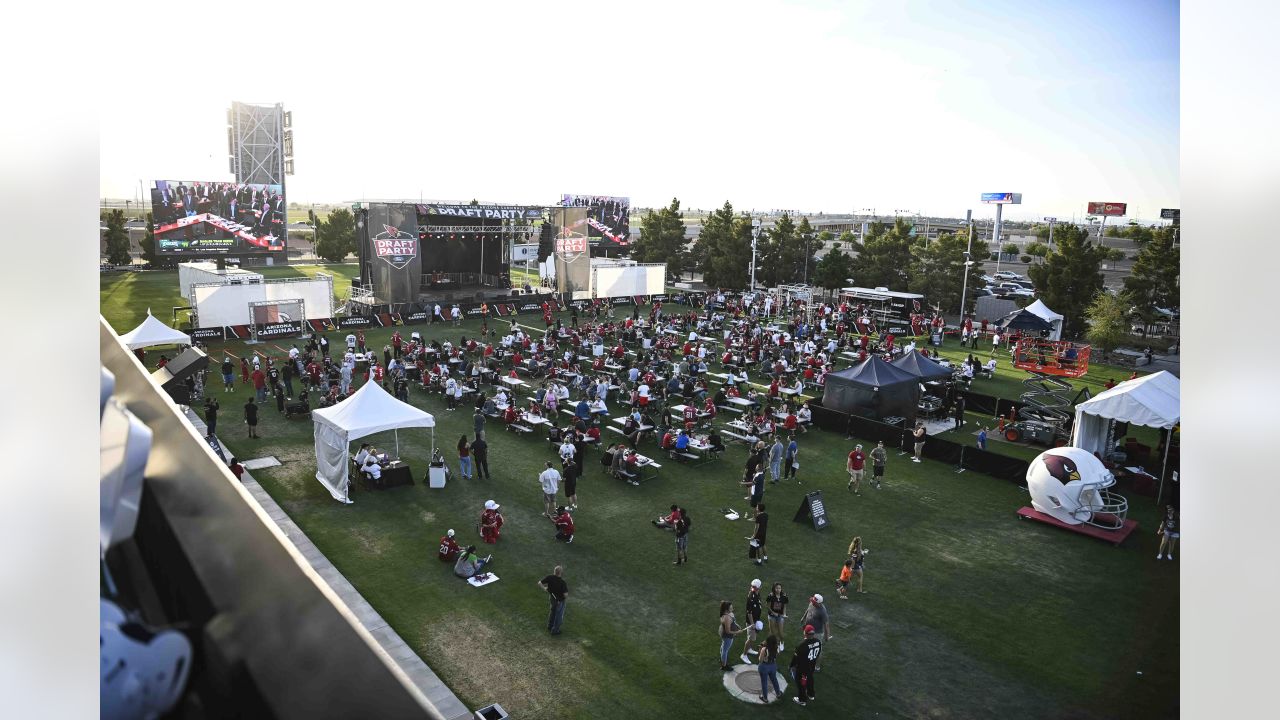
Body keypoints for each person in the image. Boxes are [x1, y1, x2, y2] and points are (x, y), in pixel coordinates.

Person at [789, 624, 821, 706]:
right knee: (810, 679)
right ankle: (811, 694)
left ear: (805, 633)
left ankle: (802, 700)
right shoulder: (818, 641)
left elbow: (795, 658)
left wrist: (791, 666)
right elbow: (818, 654)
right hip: (812, 666)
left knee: (801, 683)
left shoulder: (802, 645)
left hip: (803, 668)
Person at [799, 594, 832, 669]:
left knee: (817, 649)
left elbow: (826, 624)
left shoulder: (822, 611)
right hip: (807, 629)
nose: (812, 602)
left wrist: (827, 636)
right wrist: (803, 617)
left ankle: (817, 666)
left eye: (814, 602)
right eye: (812, 601)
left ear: (819, 603)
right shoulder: (811, 603)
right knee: (807, 645)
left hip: (817, 633)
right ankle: (808, 659)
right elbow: (808, 610)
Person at [718, 600, 748, 672]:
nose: (732, 608)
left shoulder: (729, 613)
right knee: (725, 650)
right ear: (726, 609)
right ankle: (724, 666)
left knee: (723, 646)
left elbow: (733, 621)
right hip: (727, 636)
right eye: (731, 607)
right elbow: (728, 631)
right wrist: (737, 632)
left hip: (723, 633)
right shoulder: (727, 618)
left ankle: (722, 659)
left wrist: (737, 625)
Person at [539, 566, 569, 635]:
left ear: (554, 571)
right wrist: (566, 594)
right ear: (561, 573)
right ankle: (555, 630)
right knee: (559, 616)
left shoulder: (550, 577)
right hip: (559, 601)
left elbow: (539, 583)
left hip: (552, 598)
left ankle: (550, 626)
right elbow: (565, 595)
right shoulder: (562, 582)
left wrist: (544, 589)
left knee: (553, 612)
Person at [741, 579, 764, 664]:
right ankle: (744, 654)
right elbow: (749, 612)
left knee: (751, 637)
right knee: (751, 639)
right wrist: (752, 624)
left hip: (755, 619)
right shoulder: (751, 596)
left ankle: (749, 649)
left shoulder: (756, 594)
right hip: (752, 621)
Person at [756, 634, 782, 703]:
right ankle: (778, 694)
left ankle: (765, 698)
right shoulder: (777, 647)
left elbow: (760, 660)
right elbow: (777, 655)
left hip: (764, 667)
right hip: (773, 666)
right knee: (774, 680)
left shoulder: (764, 649)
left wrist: (760, 650)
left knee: (764, 682)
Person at [765, 583, 789, 651]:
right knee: (773, 632)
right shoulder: (770, 596)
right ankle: (776, 644)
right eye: (776, 588)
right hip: (772, 616)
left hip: (780, 616)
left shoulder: (784, 596)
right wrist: (773, 612)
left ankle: (782, 642)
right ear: (774, 588)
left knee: (781, 633)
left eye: (779, 588)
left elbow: (784, 606)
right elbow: (767, 605)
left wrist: (784, 614)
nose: (778, 590)